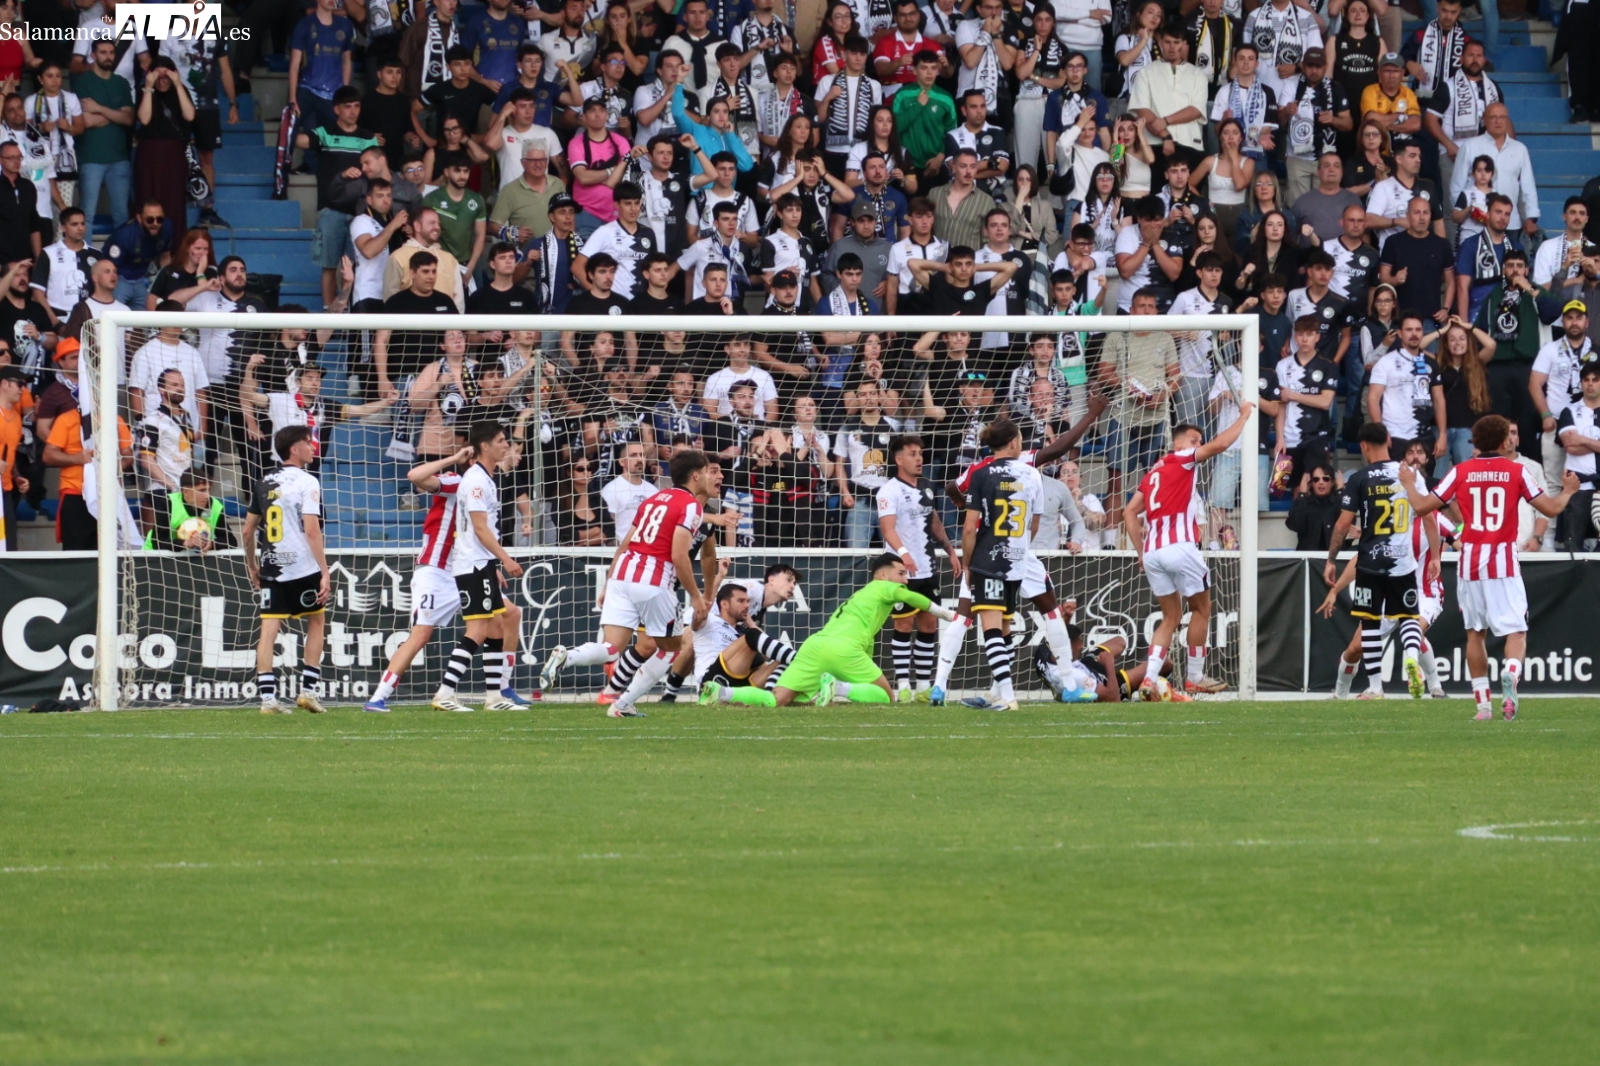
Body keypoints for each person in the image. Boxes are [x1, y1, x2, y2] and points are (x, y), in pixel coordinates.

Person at [1398, 415, 1579, 719]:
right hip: (1502, 560)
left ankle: (1483, 706)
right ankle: (1510, 672)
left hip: (1469, 560)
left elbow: (1422, 507)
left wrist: (1408, 484)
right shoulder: (1516, 471)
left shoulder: (1460, 471)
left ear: (1476, 443)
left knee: (1474, 633)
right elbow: (1549, 508)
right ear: (1505, 441)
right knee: (1517, 632)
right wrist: (1569, 490)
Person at [541, 449, 718, 715]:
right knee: (672, 648)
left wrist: (609, 581)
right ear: (695, 475)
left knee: (612, 648)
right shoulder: (691, 505)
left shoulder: (653, 499)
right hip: (653, 580)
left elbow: (625, 543)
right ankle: (622, 705)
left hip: (623, 574)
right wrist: (695, 596)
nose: (709, 476)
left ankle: (567, 655)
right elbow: (679, 555)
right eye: (706, 471)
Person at [1125, 405, 1254, 697]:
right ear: (1178, 443)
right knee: (1201, 609)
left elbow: (1129, 513)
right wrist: (1244, 416)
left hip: (1154, 553)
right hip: (1180, 548)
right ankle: (1194, 676)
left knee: (1169, 617)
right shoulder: (1183, 458)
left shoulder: (1154, 471)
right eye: (1194, 440)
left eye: (1199, 441)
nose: (1198, 446)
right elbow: (1221, 445)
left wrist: (1140, 552)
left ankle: (1148, 680)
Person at [427, 422, 528, 713]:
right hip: (472, 564)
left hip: (481, 563)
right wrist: (506, 559)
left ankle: (494, 697)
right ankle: (445, 693)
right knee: (478, 630)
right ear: (485, 446)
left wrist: (493, 564)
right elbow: (481, 529)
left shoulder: (485, 478)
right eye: (501, 441)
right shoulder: (475, 481)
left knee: (496, 626)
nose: (506, 445)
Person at [1322, 421, 1427, 700]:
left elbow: (1343, 524)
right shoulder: (1411, 475)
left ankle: (1376, 687)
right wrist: (1437, 555)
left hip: (1370, 562)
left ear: (1364, 446)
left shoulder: (1359, 479)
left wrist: (1332, 558)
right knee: (1408, 617)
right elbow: (1428, 514)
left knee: (1369, 623)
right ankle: (1412, 660)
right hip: (1402, 561)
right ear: (1389, 440)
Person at [242, 425, 331, 715]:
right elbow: (312, 529)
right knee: (316, 623)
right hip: (303, 567)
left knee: (268, 630)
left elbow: (247, 531)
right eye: (307, 441)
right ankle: (308, 691)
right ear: (294, 448)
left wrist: (252, 566)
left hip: (272, 567)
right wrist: (324, 570)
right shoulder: (308, 481)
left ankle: (267, 700)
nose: (312, 445)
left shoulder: (264, 481)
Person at [876, 433, 961, 698]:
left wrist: (950, 551)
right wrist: (903, 554)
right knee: (903, 624)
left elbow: (934, 521)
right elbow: (887, 529)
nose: (919, 458)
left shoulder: (926, 486)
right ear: (898, 459)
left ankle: (923, 686)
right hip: (900, 571)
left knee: (928, 625)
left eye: (921, 454)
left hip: (927, 568)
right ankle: (903, 686)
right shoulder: (889, 490)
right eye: (913, 454)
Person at [1528, 301, 1595, 497]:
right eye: (1569, 318)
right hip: (1555, 422)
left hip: (1588, 425)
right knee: (1553, 482)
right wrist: (1545, 414)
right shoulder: (1550, 349)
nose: (1574, 322)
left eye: (1578, 318)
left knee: (1588, 479)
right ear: (1563, 321)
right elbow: (1534, 384)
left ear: (1586, 322)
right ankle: (1549, 529)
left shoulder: (1596, 350)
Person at [1448, 104, 1539, 240]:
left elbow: (1528, 186)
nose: (1498, 121)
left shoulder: (1520, 149)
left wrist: (1531, 217)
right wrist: (1468, 214)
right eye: (1493, 117)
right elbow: (1456, 187)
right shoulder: (1470, 146)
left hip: (1510, 223)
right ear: (1484, 120)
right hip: (1476, 225)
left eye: (1502, 117)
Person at [1127, 20, 1209, 171]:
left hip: (1189, 142)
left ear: (1184, 44)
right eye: (1168, 42)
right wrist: (1166, 136)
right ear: (1160, 42)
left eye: (1176, 42)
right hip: (1154, 144)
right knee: (1157, 194)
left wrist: (1165, 121)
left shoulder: (1197, 74)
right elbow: (1142, 111)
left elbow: (1196, 110)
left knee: (1187, 192)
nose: (1172, 47)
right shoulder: (1146, 72)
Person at [1275, 313, 1338, 489]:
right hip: (1288, 437)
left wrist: (1293, 395)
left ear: (1317, 337)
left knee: (1312, 486)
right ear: (1295, 336)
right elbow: (1280, 405)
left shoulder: (1328, 366)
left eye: (1309, 334)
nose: (1304, 339)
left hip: (1317, 436)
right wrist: (1280, 437)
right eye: (1301, 334)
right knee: (1285, 488)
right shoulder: (1282, 365)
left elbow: (1325, 401)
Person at [1378, 197, 1454, 324]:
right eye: (1417, 212)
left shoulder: (1442, 245)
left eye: (1426, 212)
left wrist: (1446, 308)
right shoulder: (1393, 242)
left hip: (1431, 319)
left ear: (1430, 216)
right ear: (1407, 216)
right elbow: (1383, 278)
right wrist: (1395, 280)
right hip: (1399, 320)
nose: (1422, 217)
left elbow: (1450, 280)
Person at [1554, 362, 1600, 551]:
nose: (1590, 384)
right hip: (1578, 486)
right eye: (1586, 380)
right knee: (1574, 546)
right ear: (1581, 383)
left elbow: (1576, 442)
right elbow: (1571, 447)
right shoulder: (1569, 411)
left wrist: (1582, 439)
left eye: (1595, 380)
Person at [1285, 462, 1341, 550]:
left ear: (1333, 482)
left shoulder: (1338, 502)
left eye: (1325, 479)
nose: (1321, 482)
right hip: (1309, 560)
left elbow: (1349, 523)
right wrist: (1302, 494)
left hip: (1334, 559)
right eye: (1316, 479)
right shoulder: (1304, 502)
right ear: (1311, 483)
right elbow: (1294, 525)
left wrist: (1340, 491)